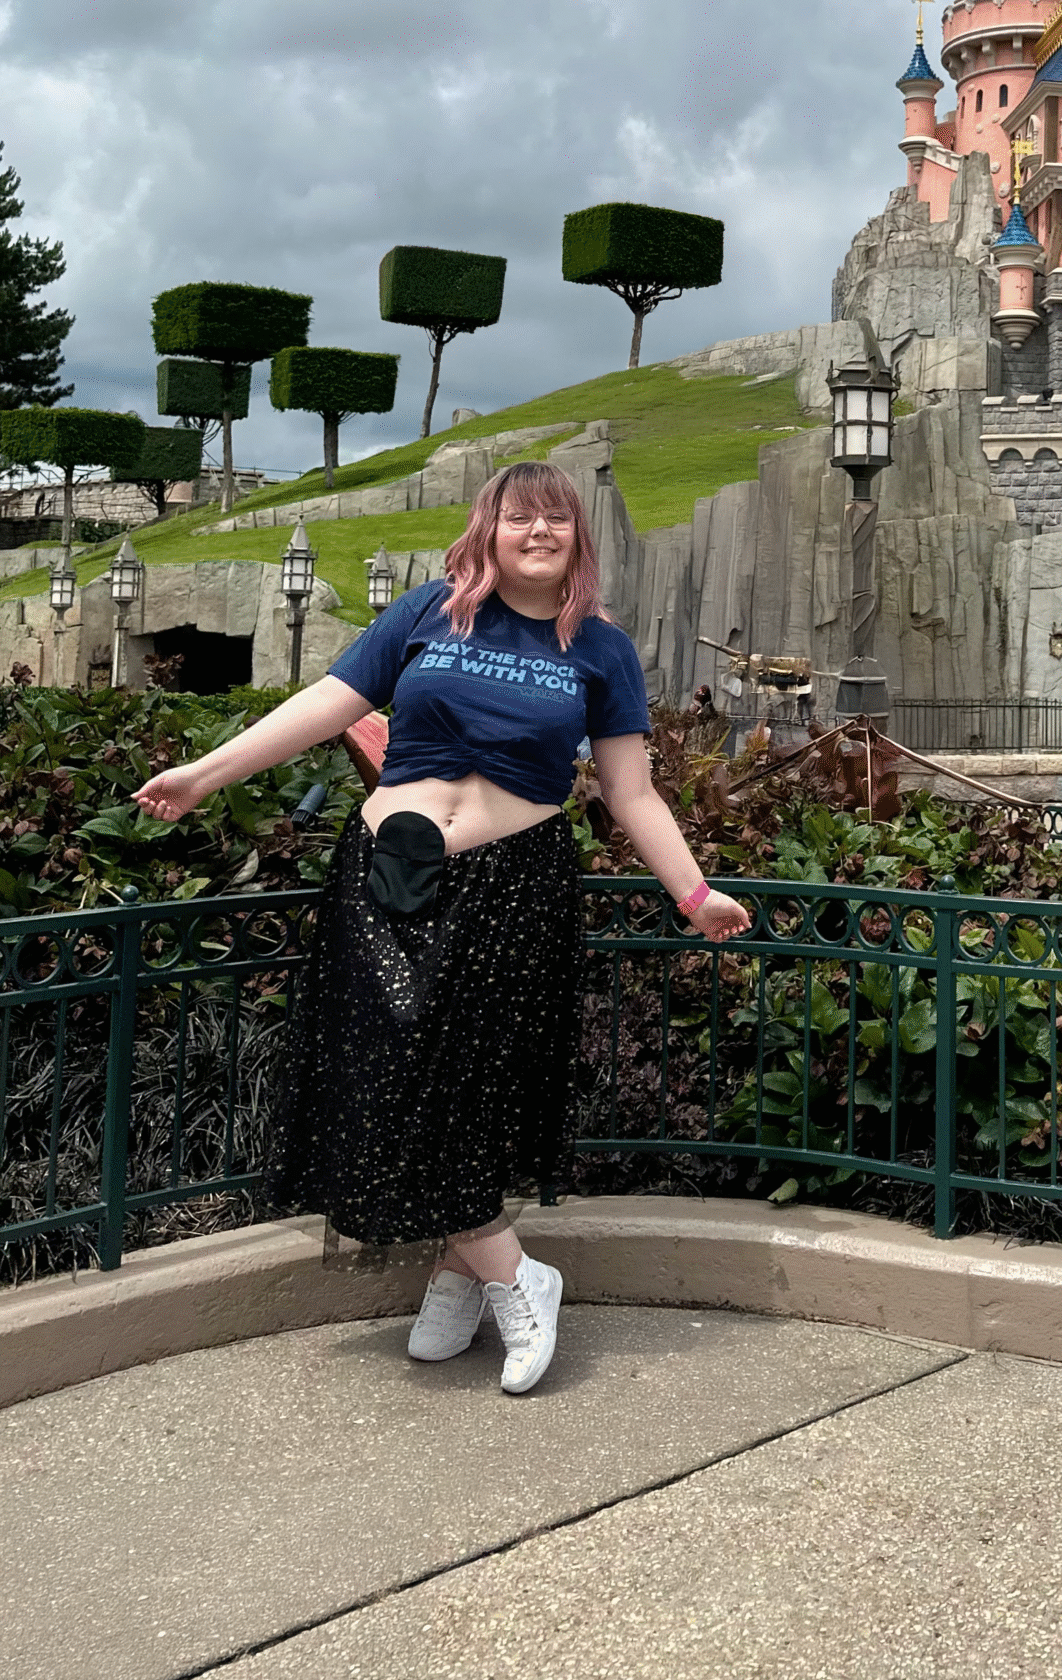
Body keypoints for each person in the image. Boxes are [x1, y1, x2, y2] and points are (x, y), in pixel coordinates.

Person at [134, 459, 748, 1395]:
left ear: (578, 538)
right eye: (518, 518)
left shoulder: (600, 649)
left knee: (464, 1076)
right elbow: (325, 708)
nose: (537, 533)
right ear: (487, 529)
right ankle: (512, 1272)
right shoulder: (429, 612)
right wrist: (204, 774)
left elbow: (630, 790)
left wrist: (694, 894)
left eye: (556, 520)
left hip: (513, 883)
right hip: (387, 876)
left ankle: (465, 1273)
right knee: (385, 1070)